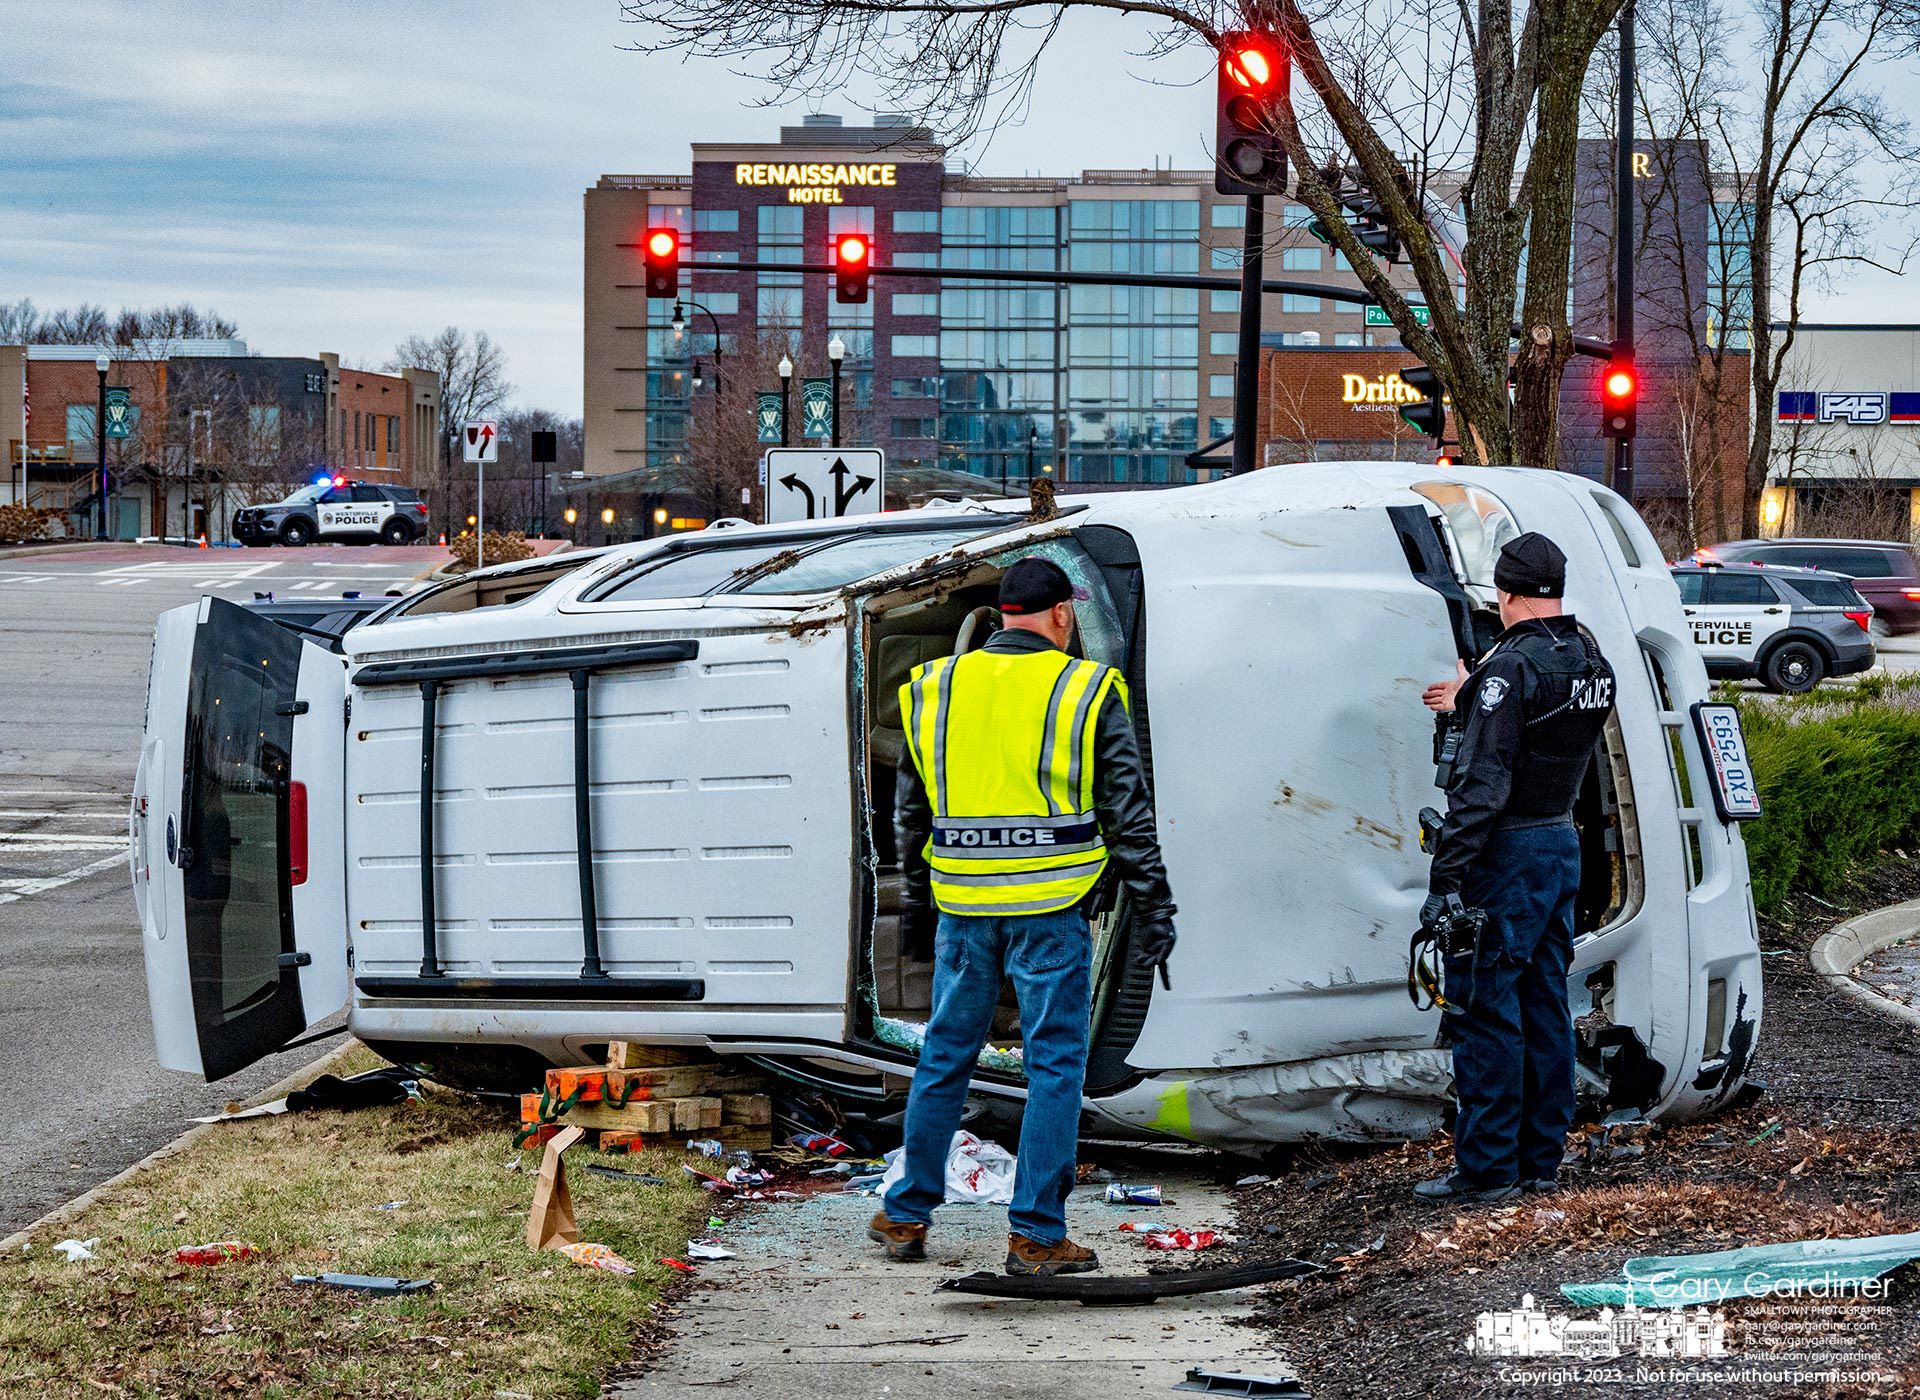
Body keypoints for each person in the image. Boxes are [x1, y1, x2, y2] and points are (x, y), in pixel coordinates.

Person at [867, 556, 1179, 1275]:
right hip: (1050, 908)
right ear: (1063, 616)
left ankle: (906, 1214)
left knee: (944, 1055)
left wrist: (921, 906)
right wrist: (1155, 908)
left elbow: (909, 813)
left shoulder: (934, 688)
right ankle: (1036, 1235)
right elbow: (1129, 814)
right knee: (1054, 1068)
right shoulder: (1088, 689)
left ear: (1002, 618)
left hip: (964, 908)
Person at [1414, 532, 1616, 1205]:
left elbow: (1482, 788)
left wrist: (1445, 882)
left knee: (1486, 1009)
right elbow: (1544, 732)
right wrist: (1473, 697)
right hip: (1559, 844)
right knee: (1545, 1004)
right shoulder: (1589, 656)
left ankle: (1488, 1169)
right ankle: (1539, 1161)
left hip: (1507, 855)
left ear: (1505, 594)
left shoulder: (1510, 670)